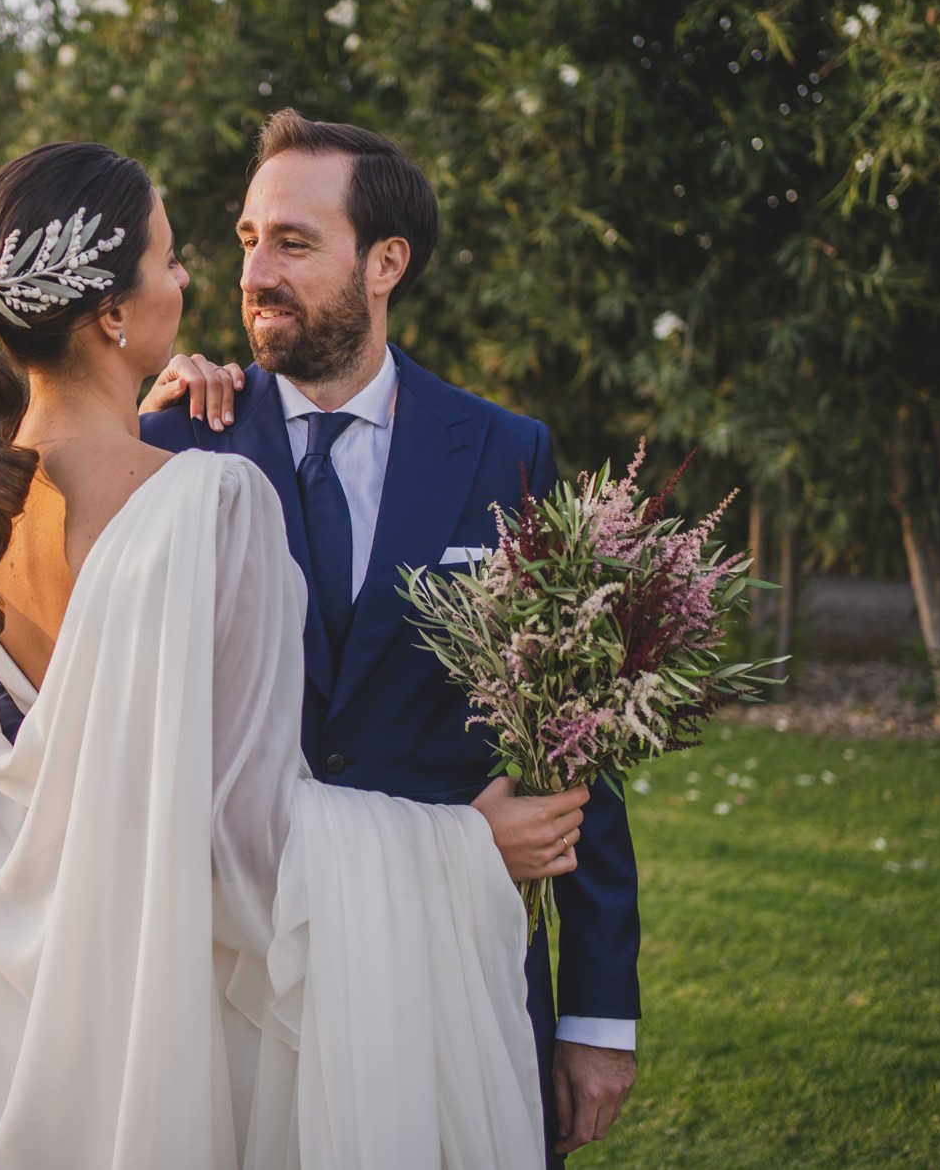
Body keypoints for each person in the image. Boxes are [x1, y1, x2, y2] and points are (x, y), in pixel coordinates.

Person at [0, 141, 555, 1168]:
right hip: (201, 1016)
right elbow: (250, 852)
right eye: (173, 259)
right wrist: (463, 845)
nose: (199, 281)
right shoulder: (210, 500)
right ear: (112, 313)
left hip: (53, 1015)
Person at [140, 110, 642, 1165]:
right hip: (240, 968)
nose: (255, 273)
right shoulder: (170, 439)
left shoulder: (505, 451)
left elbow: (572, 735)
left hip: (451, 960)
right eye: (247, 240)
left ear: (385, 262)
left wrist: (595, 1016)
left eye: (294, 242)